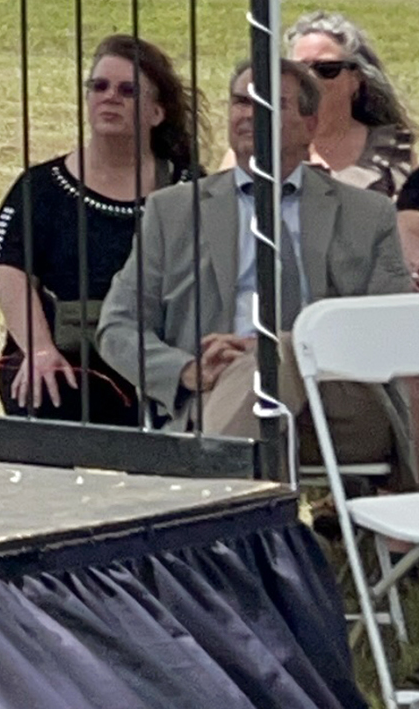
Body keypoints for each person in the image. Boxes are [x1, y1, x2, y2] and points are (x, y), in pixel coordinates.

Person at [97, 58, 412, 481]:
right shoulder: (172, 211)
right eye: (240, 102)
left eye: (269, 104)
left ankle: (200, 509)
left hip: (339, 406)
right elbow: (117, 326)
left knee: (274, 351)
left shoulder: (365, 214)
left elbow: (394, 329)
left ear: (310, 123)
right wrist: (186, 369)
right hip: (215, 392)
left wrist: (292, 349)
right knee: (262, 372)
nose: (248, 113)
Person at [0, 35, 197, 423]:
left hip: (158, 359)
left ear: (156, 113)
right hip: (64, 360)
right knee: (44, 391)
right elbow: (8, 271)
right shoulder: (41, 186)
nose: (110, 97)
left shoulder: (190, 189)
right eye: (99, 86)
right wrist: (39, 350)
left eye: (128, 90)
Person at [283, 12, 419, 271]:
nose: (311, 78)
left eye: (327, 70)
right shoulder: (259, 148)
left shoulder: (391, 151)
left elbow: (409, 229)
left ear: (355, 80)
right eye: (299, 70)